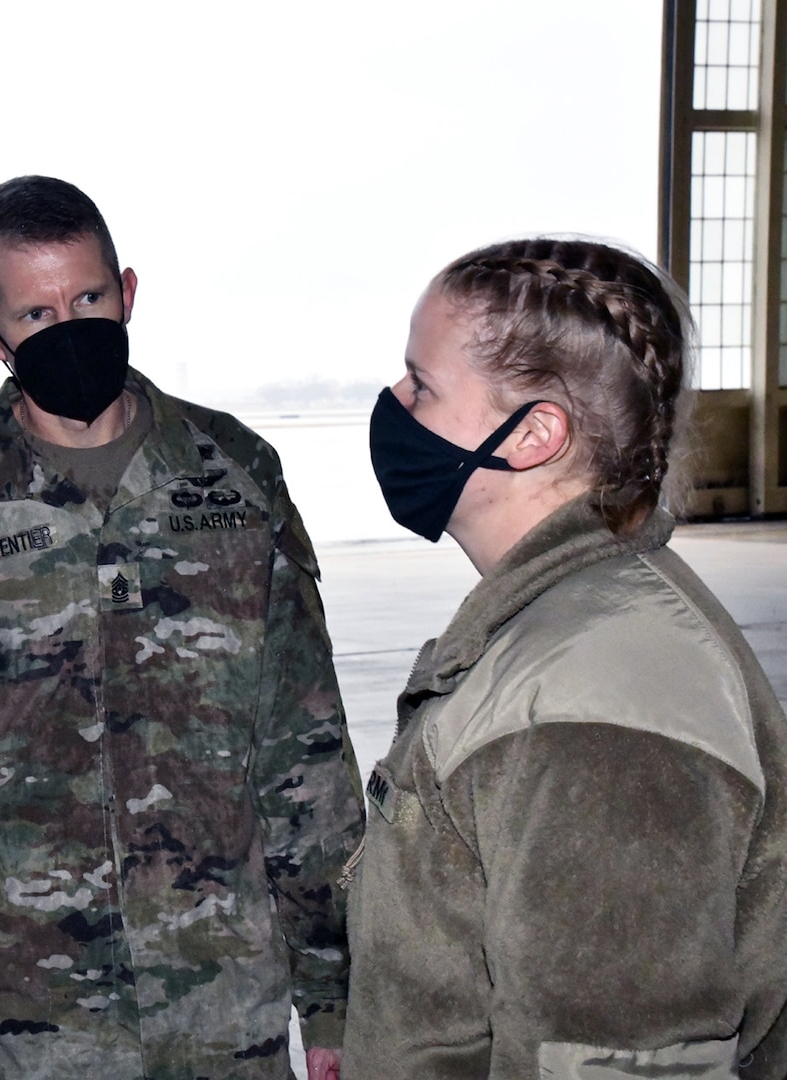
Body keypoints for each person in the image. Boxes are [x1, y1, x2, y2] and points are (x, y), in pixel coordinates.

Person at [0, 175, 364, 1080]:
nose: (71, 326)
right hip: (10, 1026)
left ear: (128, 292)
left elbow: (305, 750)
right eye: (36, 313)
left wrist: (334, 990)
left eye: (90, 297)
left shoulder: (234, 475)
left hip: (221, 1013)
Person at [343, 238, 787, 1078]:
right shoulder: (562, 626)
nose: (394, 403)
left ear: (534, 434)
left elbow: (611, 1058)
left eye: (422, 384)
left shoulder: (592, 701)